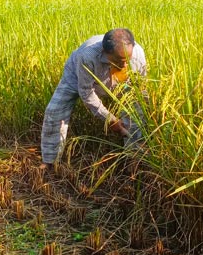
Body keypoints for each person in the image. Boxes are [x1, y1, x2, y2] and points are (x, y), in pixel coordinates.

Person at [40, 28, 147, 171]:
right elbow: (86, 93)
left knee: (135, 112)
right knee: (54, 111)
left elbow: (139, 90)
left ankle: (132, 161)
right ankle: (50, 161)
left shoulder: (138, 55)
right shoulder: (87, 56)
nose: (124, 65)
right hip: (77, 77)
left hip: (120, 82)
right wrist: (109, 119)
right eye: (119, 61)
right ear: (105, 52)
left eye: (127, 60)